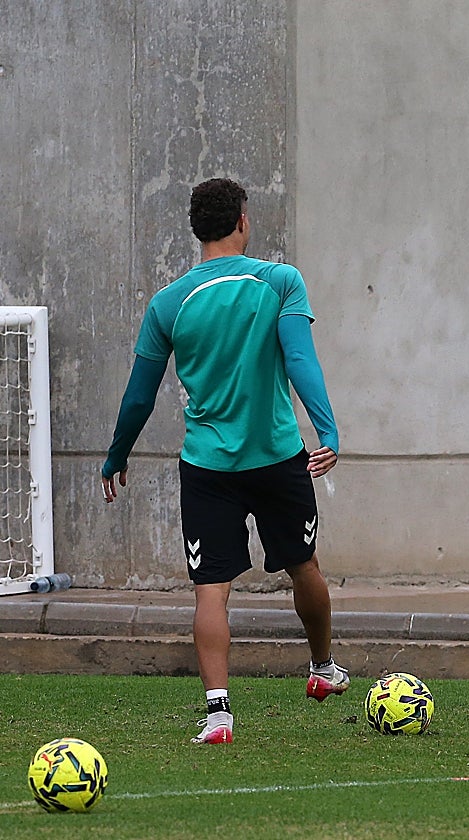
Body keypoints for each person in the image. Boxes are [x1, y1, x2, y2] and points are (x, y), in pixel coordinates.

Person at [102, 178, 348, 745]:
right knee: (303, 565)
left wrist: (116, 456)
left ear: (196, 230)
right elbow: (300, 359)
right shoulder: (280, 281)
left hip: (207, 466)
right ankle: (320, 669)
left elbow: (140, 395)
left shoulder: (168, 303)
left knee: (211, 589)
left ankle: (218, 714)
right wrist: (327, 430)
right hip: (278, 457)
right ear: (243, 220)